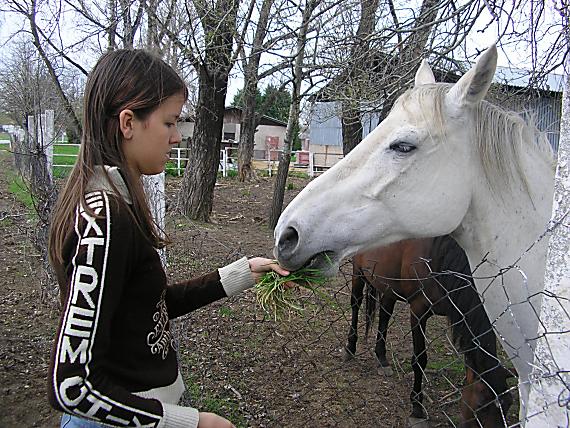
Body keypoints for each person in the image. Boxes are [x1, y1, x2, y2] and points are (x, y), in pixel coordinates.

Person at [47, 49, 292, 428]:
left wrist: (242, 273)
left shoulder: (116, 205)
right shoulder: (105, 219)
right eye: (169, 122)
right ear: (129, 122)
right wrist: (188, 423)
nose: (177, 137)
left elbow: (148, 307)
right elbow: (73, 386)